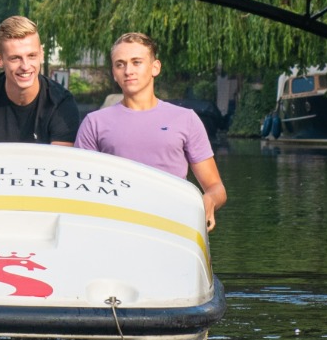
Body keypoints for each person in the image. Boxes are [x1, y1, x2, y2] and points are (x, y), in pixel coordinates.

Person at [76, 32, 227, 229]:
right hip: (115, 227)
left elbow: (216, 188)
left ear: (155, 67)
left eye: (136, 62)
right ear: (114, 72)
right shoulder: (94, 123)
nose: (128, 70)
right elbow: (80, 190)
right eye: (120, 64)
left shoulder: (185, 119)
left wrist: (209, 200)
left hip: (172, 226)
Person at [0, 15, 81, 145]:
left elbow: (60, 157)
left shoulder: (61, 103)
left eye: (31, 56)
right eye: (15, 58)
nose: (25, 66)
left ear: (41, 54)